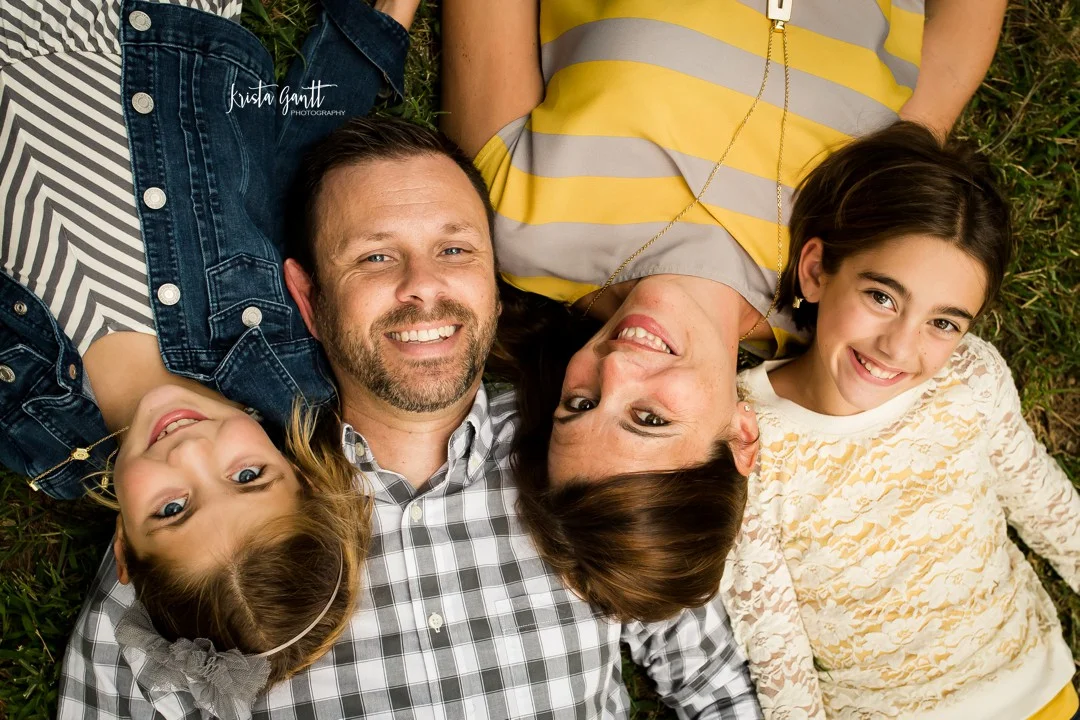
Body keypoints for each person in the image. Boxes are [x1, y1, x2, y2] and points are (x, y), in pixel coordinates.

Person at [62, 116, 765, 719]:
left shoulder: (594, 467)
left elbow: (711, 684)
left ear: (494, 281)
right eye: (374, 257)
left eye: (455, 250)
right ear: (309, 302)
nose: (423, 286)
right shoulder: (222, 511)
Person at [438, 0, 1008, 622]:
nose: (617, 370)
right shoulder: (853, 296)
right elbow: (943, 73)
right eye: (650, 418)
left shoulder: (520, 221)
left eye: (579, 404)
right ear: (741, 434)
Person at [0, 0, 416, 716]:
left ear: (126, 555)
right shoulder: (278, 348)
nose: (190, 453)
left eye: (172, 508)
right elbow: (302, 153)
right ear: (299, 469)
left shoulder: (32, 433)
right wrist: (383, 21)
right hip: (140, 27)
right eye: (248, 475)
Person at [720, 121, 1080, 719]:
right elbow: (774, 643)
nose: (897, 347)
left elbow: (1044, 503)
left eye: (943, 323)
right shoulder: (746, 438)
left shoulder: (968, 379)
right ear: (815, 271)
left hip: (1033, 688)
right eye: (882, 297)